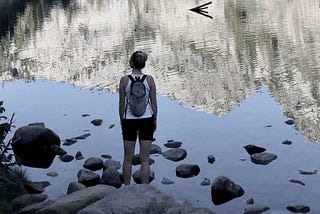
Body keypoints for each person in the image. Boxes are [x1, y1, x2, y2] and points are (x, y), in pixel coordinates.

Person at [119, 51, 157, 185]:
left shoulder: (124, 80)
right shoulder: (150, 80)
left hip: (129, 121)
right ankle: (145, 190)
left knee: (128, 158)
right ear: (143, 64)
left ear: (131, 63)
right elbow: (153, 103)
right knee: (145, 159)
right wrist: (155, 120)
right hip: (146, 119)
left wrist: (121, 121)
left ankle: (127, 187)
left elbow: (122, 104)